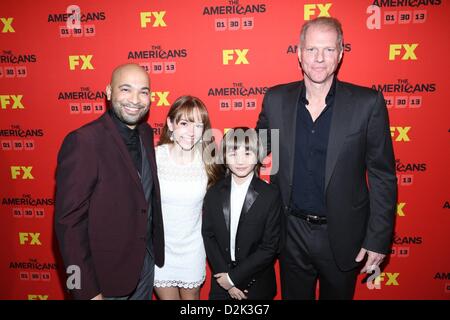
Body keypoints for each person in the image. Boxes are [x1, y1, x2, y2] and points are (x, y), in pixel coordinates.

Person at [256, 17, 397, 299]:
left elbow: (383, 176)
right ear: (299, 53)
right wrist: (195, 147)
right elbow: (254, 150)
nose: (319, 59)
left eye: (329, 50)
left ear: (341, 53)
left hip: (343, 234)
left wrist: (378, 239)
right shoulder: (276, 99)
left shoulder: (367, 104)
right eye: (311, 50)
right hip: (289, 233)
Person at [54, 63, 164, 300]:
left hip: (144, 268)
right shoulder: (84, 142)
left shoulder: (145, 133)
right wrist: (85, 290)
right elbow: (68, 225)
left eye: (143, 91)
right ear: (108, 91)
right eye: (126, 89)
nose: (135, 99)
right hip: (103, 281)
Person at [153, 95, 222, 300]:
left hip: (193, 249)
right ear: (170, 124)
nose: (191, 133)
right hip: (161, 251)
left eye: (198, 125)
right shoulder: (154, 157)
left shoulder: (209, 160)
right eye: (184, 123)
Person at [202, 127, 281, 300]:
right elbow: (208, 236)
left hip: (257, 284)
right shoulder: (213, 193)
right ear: (224, 156)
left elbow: (269, 246)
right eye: (233, 153)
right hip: (221, 283)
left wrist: (234, 279)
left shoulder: (270, 195)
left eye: (247, 153)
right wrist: (226, 280)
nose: (240, 161)